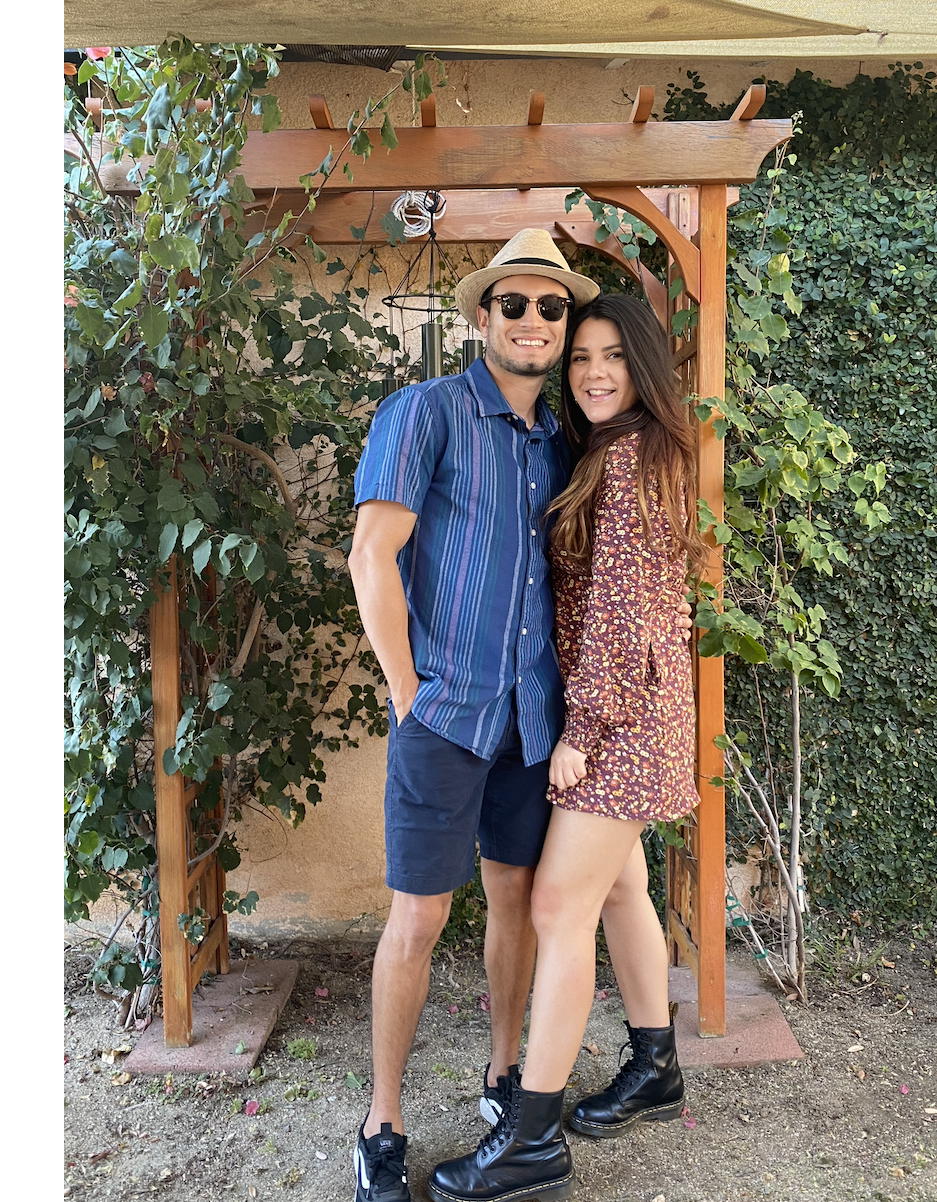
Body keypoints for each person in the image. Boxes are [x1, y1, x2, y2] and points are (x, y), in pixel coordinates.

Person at [428, 294, 706, 1202]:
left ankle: (532, 1140)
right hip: (639, 712)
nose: (593, 371)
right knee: (620, 887)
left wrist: (579, 733)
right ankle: (655, 1065)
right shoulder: (626, 451)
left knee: (556, 906)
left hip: (617, 724)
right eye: (582, 356)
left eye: (614, 356)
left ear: (644, 366)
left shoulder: (628, 461)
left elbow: (620, 617)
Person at [346, 228, 600, 1202]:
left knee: (515, 903)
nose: (533, 320)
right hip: (445, 715)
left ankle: (502, 1074)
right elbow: (371, 554)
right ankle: (382, 1122)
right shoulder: (426, 411)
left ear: (564, 323)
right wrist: (407, 690)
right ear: (482, 315)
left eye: (551, 306)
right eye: (514, 303)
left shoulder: (561, 439)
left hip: (532, 719)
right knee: (417, 917)